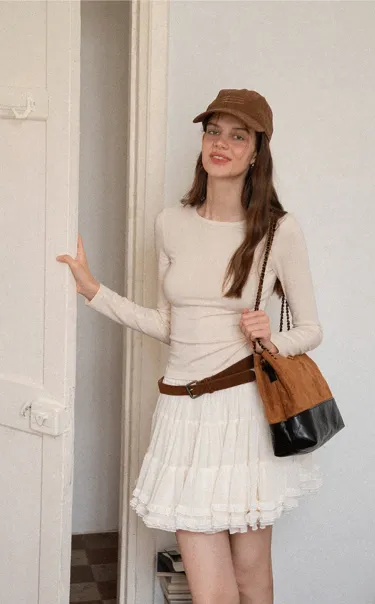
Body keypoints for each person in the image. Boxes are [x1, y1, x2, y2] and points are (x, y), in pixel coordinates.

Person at [57, 88, 323, 604]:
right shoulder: (171, 223)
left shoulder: (278, 230)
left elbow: (311, 329)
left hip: (243, 414)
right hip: (181, 412)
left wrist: (271, 337)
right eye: (213, 131)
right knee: (210, 592)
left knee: (251, 580)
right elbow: (167, 324)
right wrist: (94, 291)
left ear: (257, 151)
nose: (221, 144)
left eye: (237, 136)